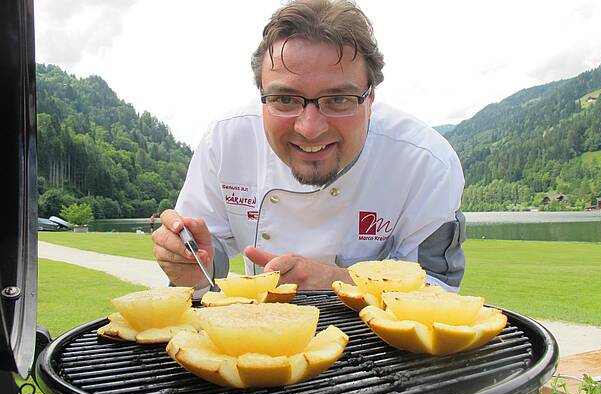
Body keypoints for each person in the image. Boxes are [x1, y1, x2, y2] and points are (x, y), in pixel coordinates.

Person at [152, 0, 466, 295]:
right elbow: (208, 249)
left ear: (370, 97)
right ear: (261, 96)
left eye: (339, 99)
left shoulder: (426, 162)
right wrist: (193, 266)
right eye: (284, 100)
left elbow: (438, 286)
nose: (309, 128)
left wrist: (338, 281)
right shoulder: (225, 141)